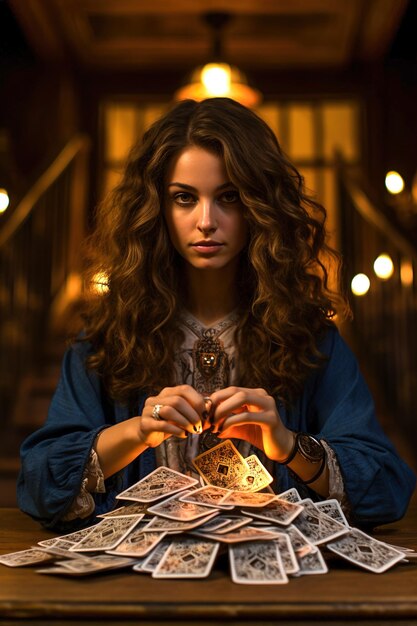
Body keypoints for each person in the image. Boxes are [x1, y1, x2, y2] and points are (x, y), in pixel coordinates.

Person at [17, 97, 415, 532]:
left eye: (229, 197)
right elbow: (38, 484)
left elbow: (387, 488)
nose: (206, 220)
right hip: (135, 588)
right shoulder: (105, 337)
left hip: (278, 588)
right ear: (155, 209)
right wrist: (138, 432)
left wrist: (288, 446)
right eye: (184, 198)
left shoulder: (310, 338)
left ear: (259, 207)